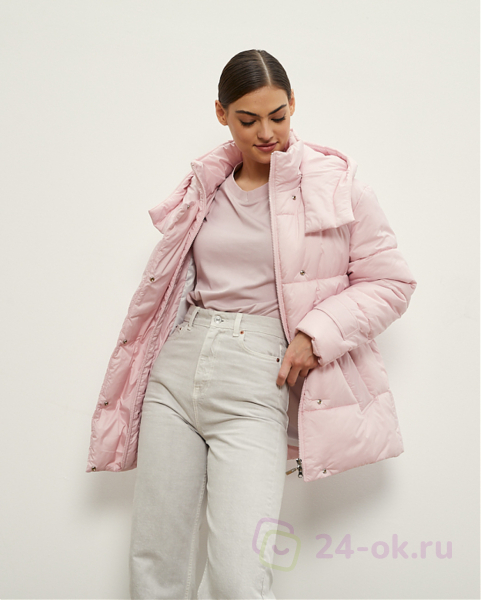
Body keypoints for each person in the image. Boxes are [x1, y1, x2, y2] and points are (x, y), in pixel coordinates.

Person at [86, 49, 417, 599]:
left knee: (240, 575)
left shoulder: (335, 182)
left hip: (259, 377)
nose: (266, 133)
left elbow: (392, 282)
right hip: (177, 370)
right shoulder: (205, 184)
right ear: (221, 114)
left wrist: (316, 334)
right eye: (248, 119)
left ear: (293, 105)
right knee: (156, 562)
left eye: (278, 116)